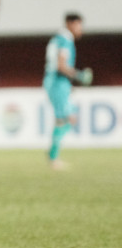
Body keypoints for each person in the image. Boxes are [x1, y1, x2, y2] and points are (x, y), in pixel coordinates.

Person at [43, 12, 92, 170]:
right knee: (65, 118)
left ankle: (52, 154)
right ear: (70, 24)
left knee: (68, 117)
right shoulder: (65, 40)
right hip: (57, 82)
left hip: (59, 83)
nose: (80, 29)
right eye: (78, 25)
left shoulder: (58, 38)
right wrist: (79, 75)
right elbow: (61, 65)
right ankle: (53, 158)